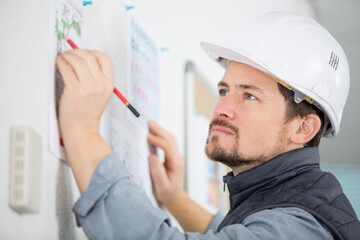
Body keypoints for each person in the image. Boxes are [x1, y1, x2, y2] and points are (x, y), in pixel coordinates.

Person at [56, 12, 360, 239]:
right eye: (225, 90)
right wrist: (175, 199)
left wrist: (83, 134)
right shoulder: (293, 200)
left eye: (250, 96)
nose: (222, 108)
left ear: (303, 128)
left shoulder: (302, 228)